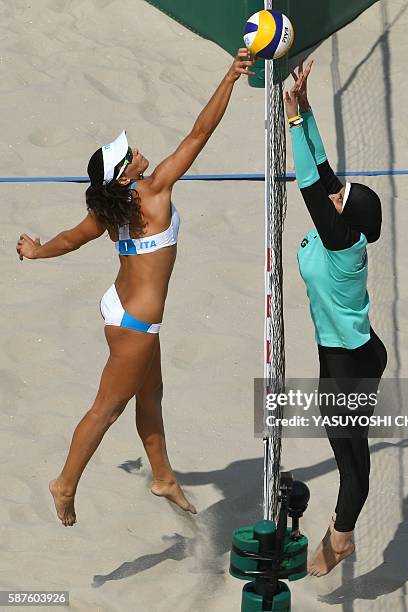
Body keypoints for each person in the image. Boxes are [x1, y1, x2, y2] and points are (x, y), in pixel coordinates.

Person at [16, 49, 255, 527]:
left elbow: (72, 237)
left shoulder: (112, 209)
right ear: (125, 174)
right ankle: (64, 484)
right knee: (106, 410)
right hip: (134, 323)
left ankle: (163, 475)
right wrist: (230, 76)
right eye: (129, 155)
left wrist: (39, 251)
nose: (137, 150)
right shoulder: (154, 190)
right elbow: (199, 133)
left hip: (121, 309)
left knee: (152, 395)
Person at [285, 61, 388, 576]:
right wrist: (301, 110)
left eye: (341, 200)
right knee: (342, 437)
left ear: (346, 221)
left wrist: (289, 125)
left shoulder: (342, 244)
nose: (334, 193)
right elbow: (323, 171)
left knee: (351, 460)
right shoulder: (345, 230)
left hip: (351, 361)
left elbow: (308, 185)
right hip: (348, 350)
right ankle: (339, 532)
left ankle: (342, 535)